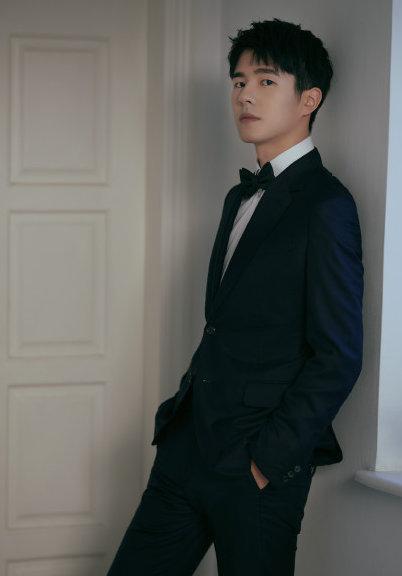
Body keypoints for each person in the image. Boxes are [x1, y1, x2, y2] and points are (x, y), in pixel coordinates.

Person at [106, 17, 364, 575]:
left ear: (309, 99)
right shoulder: (237, 198)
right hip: (188, 448)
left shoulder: (326, 205)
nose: (245, 94)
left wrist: (267, 460)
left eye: (266, 81)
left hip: (256, 465)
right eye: (239, 81)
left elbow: (339, 355)